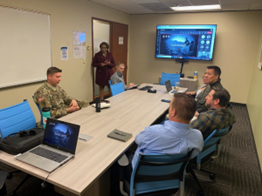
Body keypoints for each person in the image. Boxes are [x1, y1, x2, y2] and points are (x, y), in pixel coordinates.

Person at [132, 93, 204, 168]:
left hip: (141, 175)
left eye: (169, 107)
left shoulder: (150, 132)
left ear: (174, 112)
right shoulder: (198, 137)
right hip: (173, 175)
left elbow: (137, 140)